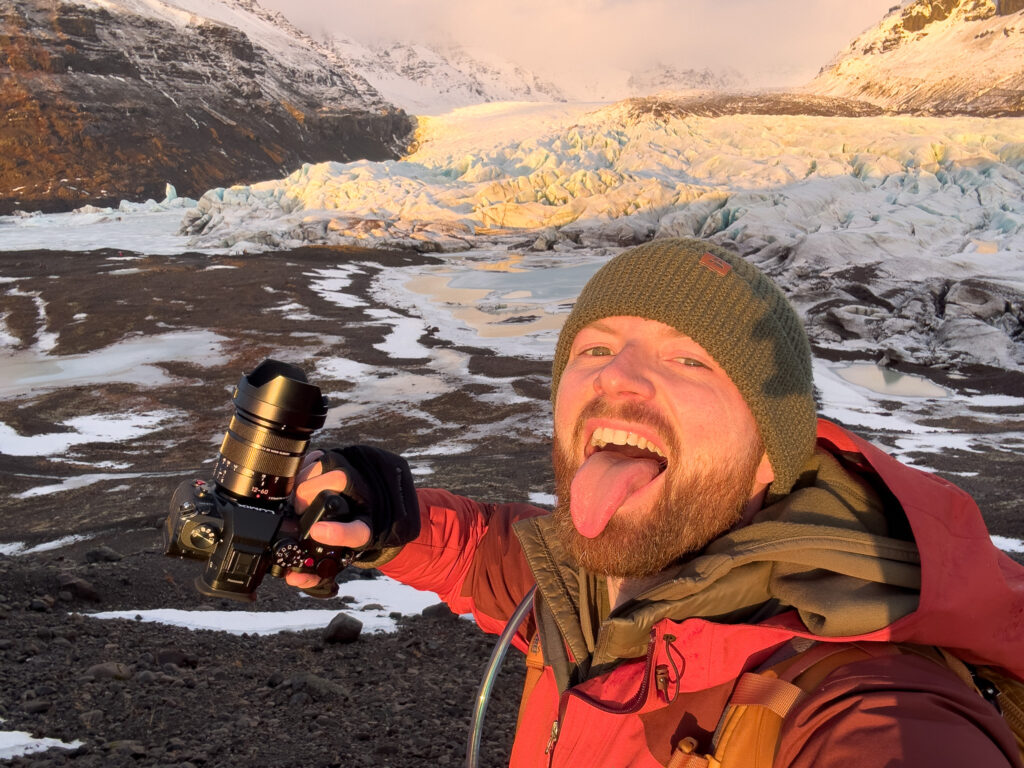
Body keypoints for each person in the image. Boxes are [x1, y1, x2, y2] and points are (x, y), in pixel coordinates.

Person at [285, 238, 1024, 767]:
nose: (619, 380)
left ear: (772, 451)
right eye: (596, 350)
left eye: (687, 359)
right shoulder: (587, 597)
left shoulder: (870, 700)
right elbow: (495, 554)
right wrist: (390, 518)